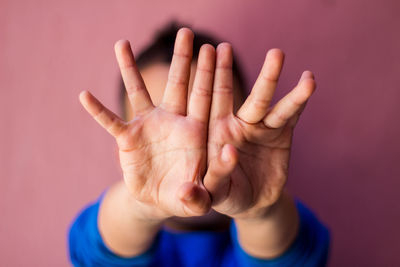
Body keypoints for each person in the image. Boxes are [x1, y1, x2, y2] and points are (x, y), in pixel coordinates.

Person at [68, 23, 330, 266]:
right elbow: (94, 253)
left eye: (210, 126)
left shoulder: (285, 229)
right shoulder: (117, 235)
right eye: (160, 138)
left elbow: (293, 255)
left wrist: (259, 212)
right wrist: (142, 205)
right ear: (122, 157)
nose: (190, 150)